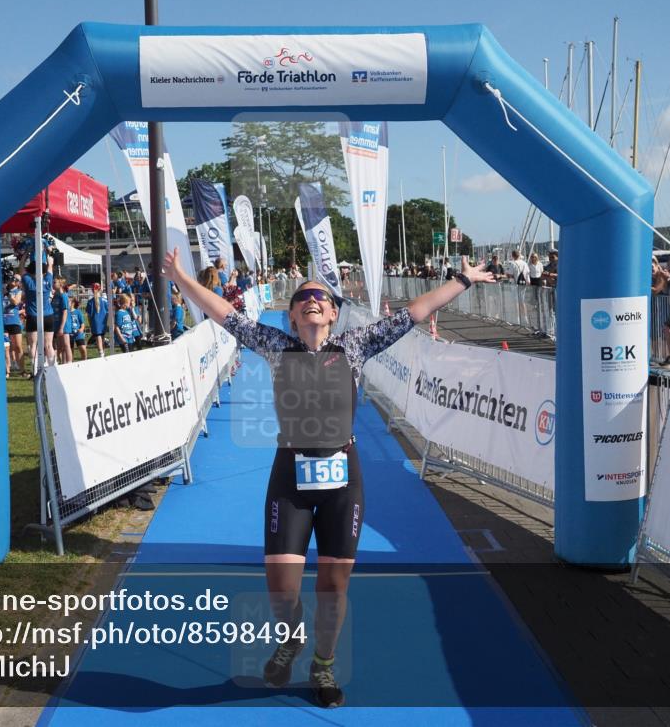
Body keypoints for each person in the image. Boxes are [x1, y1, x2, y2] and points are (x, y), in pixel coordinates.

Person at [162, 245, 494, 708]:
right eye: (304, 297)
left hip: (343, 480)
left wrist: (463, 280)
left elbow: (414, 313)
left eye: (322, 296)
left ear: (334, 314)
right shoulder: (276, 346)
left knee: (333, 585)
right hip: (290, 479)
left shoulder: (354, 347)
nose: (313, 299)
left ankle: (323, 664)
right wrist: (180, 276)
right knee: (281, 588)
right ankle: (292, 638)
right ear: (293, 317)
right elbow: (222, 314)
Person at [22, 253, 55, 373]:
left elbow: (22, 271)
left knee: (33, 345)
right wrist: (50, 260)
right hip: (48, 316)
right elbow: (50, 269)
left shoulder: (28, 282)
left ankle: (35, 370)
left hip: (33, 316)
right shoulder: (47, 280)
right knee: (49, 345)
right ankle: (52, 369)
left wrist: (23, 258)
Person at [2, 277, 24, 374]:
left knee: (18, 347)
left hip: (14, 322)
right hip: (4, 323)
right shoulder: (2, 291)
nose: (13, 280)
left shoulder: (18, 291)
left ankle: (22, 370)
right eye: (12, 279)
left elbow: (15, 302)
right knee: (6, 348)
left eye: (16, 280)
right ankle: (7, 371)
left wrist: (9, 295)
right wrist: (4, 292)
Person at [52, 278, 73, 365]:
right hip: (56, 323)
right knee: (59, 346)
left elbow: (65, 312)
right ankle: (62, 363)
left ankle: (69, 363)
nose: (53, 284)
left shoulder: (63, 296)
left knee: (66, 344)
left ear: (60, 284)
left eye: (54, 282)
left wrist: (61, 327)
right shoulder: (55, 296)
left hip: (63, 324)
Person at [86, 283, 109, 359]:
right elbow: (108, 312)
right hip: (103, 321)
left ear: (92, 290)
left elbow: (89, 315)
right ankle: (103, 353)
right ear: (100, 289)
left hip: (95, 321)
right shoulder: (105, 300)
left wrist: (90, 324)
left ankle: (101, 353)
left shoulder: (90, 302)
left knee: (98, 337)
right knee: (102, 337)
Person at [69, 296, 88, 361]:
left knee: (83, 348)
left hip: (78, 334)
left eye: (69, 301)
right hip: (69, 334)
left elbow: (82, 324)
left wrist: (81, 329)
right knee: (70, 352)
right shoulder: (66, 312)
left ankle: (84, 361)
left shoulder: (78, 312)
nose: (67, 302)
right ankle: (71, 364)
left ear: (73, 303)